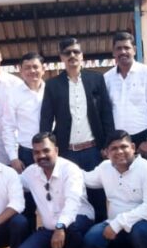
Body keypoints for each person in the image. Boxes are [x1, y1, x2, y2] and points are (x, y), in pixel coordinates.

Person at [40, 37, 115, 223]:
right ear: (61, 57)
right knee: (70, 199)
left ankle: (98, 244)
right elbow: (46, 119)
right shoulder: (52, 85)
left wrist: (108, 145)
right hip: (67, 153)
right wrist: (46, 149)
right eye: (67, 53)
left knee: (97, 197)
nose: (72, 56)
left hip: (93, 150)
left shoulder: (96, 79)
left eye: (76, 52)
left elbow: (106, 113)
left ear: (82, 55)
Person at [16, 132, 96, 248]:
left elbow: (72, 203)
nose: (42, 155)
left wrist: (60, 227)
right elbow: (12, 183)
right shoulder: (31, 173)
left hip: (78, 219)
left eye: (46, 150)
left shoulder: (70, 170)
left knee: (71, 227)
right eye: (37, 152)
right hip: (50, 228)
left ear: (56, 150)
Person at [104, 31, 147, 158]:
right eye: (119, 48)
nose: (123, 52)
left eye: (127, 48)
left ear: (134, 50)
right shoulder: (107, 78)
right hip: (117, 142)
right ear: (114, 52)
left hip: (144, 140)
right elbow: (105, 112)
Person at [3, 52, 46, 172]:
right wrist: (13, 158)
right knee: (28, 189)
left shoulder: (52, 90)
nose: (32, 71)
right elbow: (8, 127)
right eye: (27, 68)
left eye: (35, 67)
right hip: (27, 152)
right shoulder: (13, 95)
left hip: (51, 150)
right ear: (20, 71)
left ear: (43, 69)